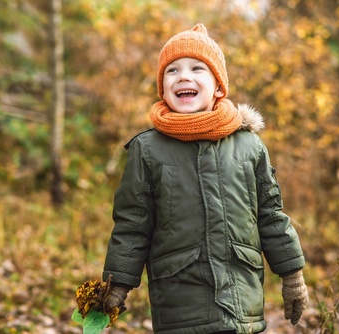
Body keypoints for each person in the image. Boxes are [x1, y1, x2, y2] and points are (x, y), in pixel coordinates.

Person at [102, 23, 308, 334]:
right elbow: (133, 224)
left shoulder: (249, 145)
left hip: (241, 299)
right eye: (172, 71)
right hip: (180, 300)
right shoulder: (148, 149)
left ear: (218, 87)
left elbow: (271, 215)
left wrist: (292, 274)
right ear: (163, 87)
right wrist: (118, 284)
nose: (183, 76)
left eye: (197, 68)